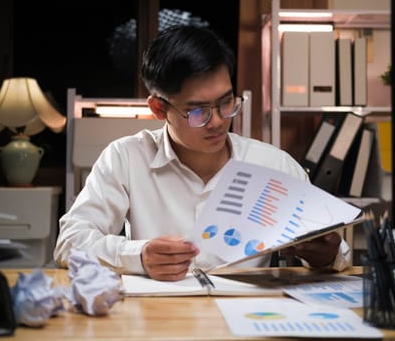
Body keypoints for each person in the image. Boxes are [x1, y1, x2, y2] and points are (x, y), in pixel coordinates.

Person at [54, 25, 351, 281]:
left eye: (226, 102)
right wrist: (139, 255)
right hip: (159, 321)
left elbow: (340, 256)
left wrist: (325, 254)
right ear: (159, 109)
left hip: (249, 320)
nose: (219, 121)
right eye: (198, 111)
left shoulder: (274, 164)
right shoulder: (126, 158)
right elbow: (69, 242)